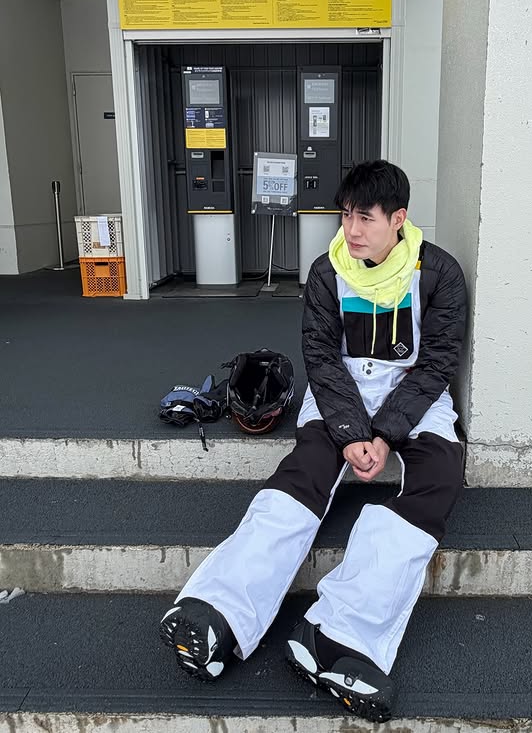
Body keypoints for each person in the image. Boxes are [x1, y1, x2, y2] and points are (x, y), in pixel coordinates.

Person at [160, 160, 467, 722]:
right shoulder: (327, 270)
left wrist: (386, 434)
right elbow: (322, 360)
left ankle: (339, 635)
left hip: (413, 399)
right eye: (346, 215)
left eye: (366, 218)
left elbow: (437, 363)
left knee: (439, 480)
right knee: (302, 476)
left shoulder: (439, 273)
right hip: (339, 394)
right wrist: (351, 434)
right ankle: (218, 611)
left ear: (399, 219)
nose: (352, 229)